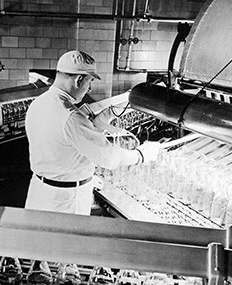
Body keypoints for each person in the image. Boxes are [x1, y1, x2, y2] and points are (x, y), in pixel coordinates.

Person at [24, 50, 160, 215]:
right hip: (65, 202)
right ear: (79, 79)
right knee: (67, 241)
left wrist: (85, 179)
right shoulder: (70, 116)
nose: (90, 88)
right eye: (89, 82)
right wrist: (141, 155)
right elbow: (108, 158)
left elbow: (60, 151)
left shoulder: (39, 103)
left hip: (41, 191)